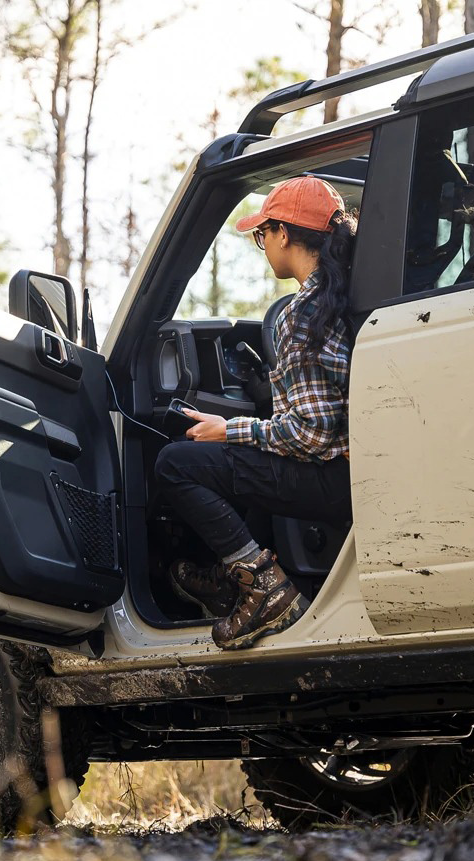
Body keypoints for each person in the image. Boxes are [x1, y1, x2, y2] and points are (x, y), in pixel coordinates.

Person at [154, 175, 356, 650]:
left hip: (338, 478)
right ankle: (233, 579)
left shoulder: (302, 313)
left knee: (176, 464)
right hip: (358, 471)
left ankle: (264, 589)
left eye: (263, 234)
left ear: (284, 234)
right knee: (246, 465)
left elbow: (310, 434)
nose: (262, 245)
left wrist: (230, 430)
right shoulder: (344, 295)